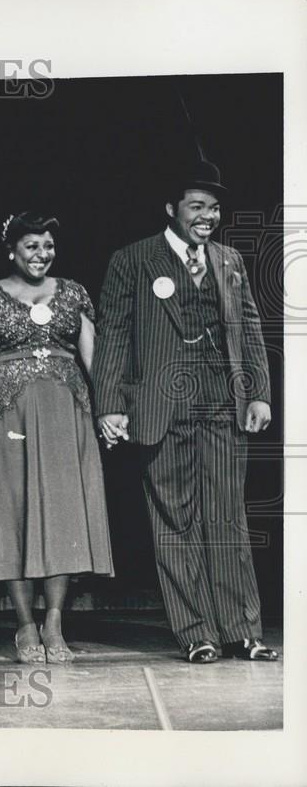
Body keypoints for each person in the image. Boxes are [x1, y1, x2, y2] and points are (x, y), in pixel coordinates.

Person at [92, 161, 278, 664]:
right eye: (198, 207)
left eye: (214, 208)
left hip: (221, 404)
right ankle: (197, 632)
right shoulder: (133, 260)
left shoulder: (230, 259)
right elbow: (112, 334)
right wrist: (110, 404)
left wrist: (258, 392)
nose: (208, 216)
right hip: (161, 409)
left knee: (228, 518)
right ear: (171, 209)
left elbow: (250, 327)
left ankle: (244, 630)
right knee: (175, 522)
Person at [0, 211, 114, 665]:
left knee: (63, 516)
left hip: (66, 412)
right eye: (32, 247)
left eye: (48, 246)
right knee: (12, 514)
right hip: (7, 413)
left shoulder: (74, 292)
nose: (42, 255)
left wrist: (109, 411)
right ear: (11, 251)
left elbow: (94, 359)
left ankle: (55, 619)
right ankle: (24, 623)